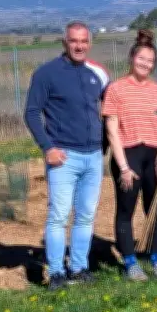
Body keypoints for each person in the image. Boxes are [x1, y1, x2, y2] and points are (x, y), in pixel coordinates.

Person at [24, 21, 110, 290]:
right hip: (64, 156)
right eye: (74, 41)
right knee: (59, 216)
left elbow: (110, 108)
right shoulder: (46, 74)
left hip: (93, 156)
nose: (79, 46)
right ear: (64, 42)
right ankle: (57, 272)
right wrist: (48, 147)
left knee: (85, 215)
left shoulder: (98, 73)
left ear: (90, 43)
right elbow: (31, 113)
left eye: (84, 41)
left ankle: (79, 267)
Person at [102, 29, 157, 281]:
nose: (145, 64)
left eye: (150, 61)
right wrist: (123, 167)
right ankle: (131, 262)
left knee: (154, 210)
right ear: (132, 58)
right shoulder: (116, 89)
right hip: (128, 155)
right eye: (141, 59)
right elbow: (112, 130)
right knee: (126, 210)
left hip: (154, 156)